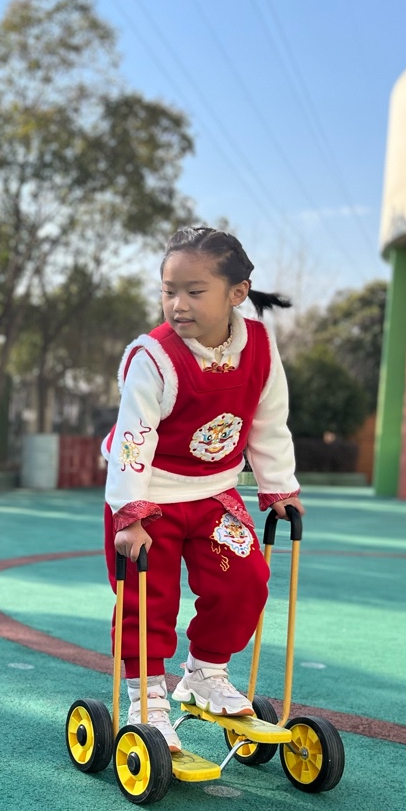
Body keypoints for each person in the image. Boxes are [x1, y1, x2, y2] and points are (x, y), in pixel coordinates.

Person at [103, 226, 302, 752]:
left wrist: (279, 487)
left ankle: (205, 673)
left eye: (194, 291)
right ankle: (147, 698)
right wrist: (130, 513)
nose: (178, 304)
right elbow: (133, 438)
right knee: (150, 599)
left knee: (246, 579)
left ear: (237, 293)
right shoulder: (153, 357)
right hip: (148, 495)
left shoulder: (259, 346)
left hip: (213, 494)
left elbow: (268, 421)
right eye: (169, 291)